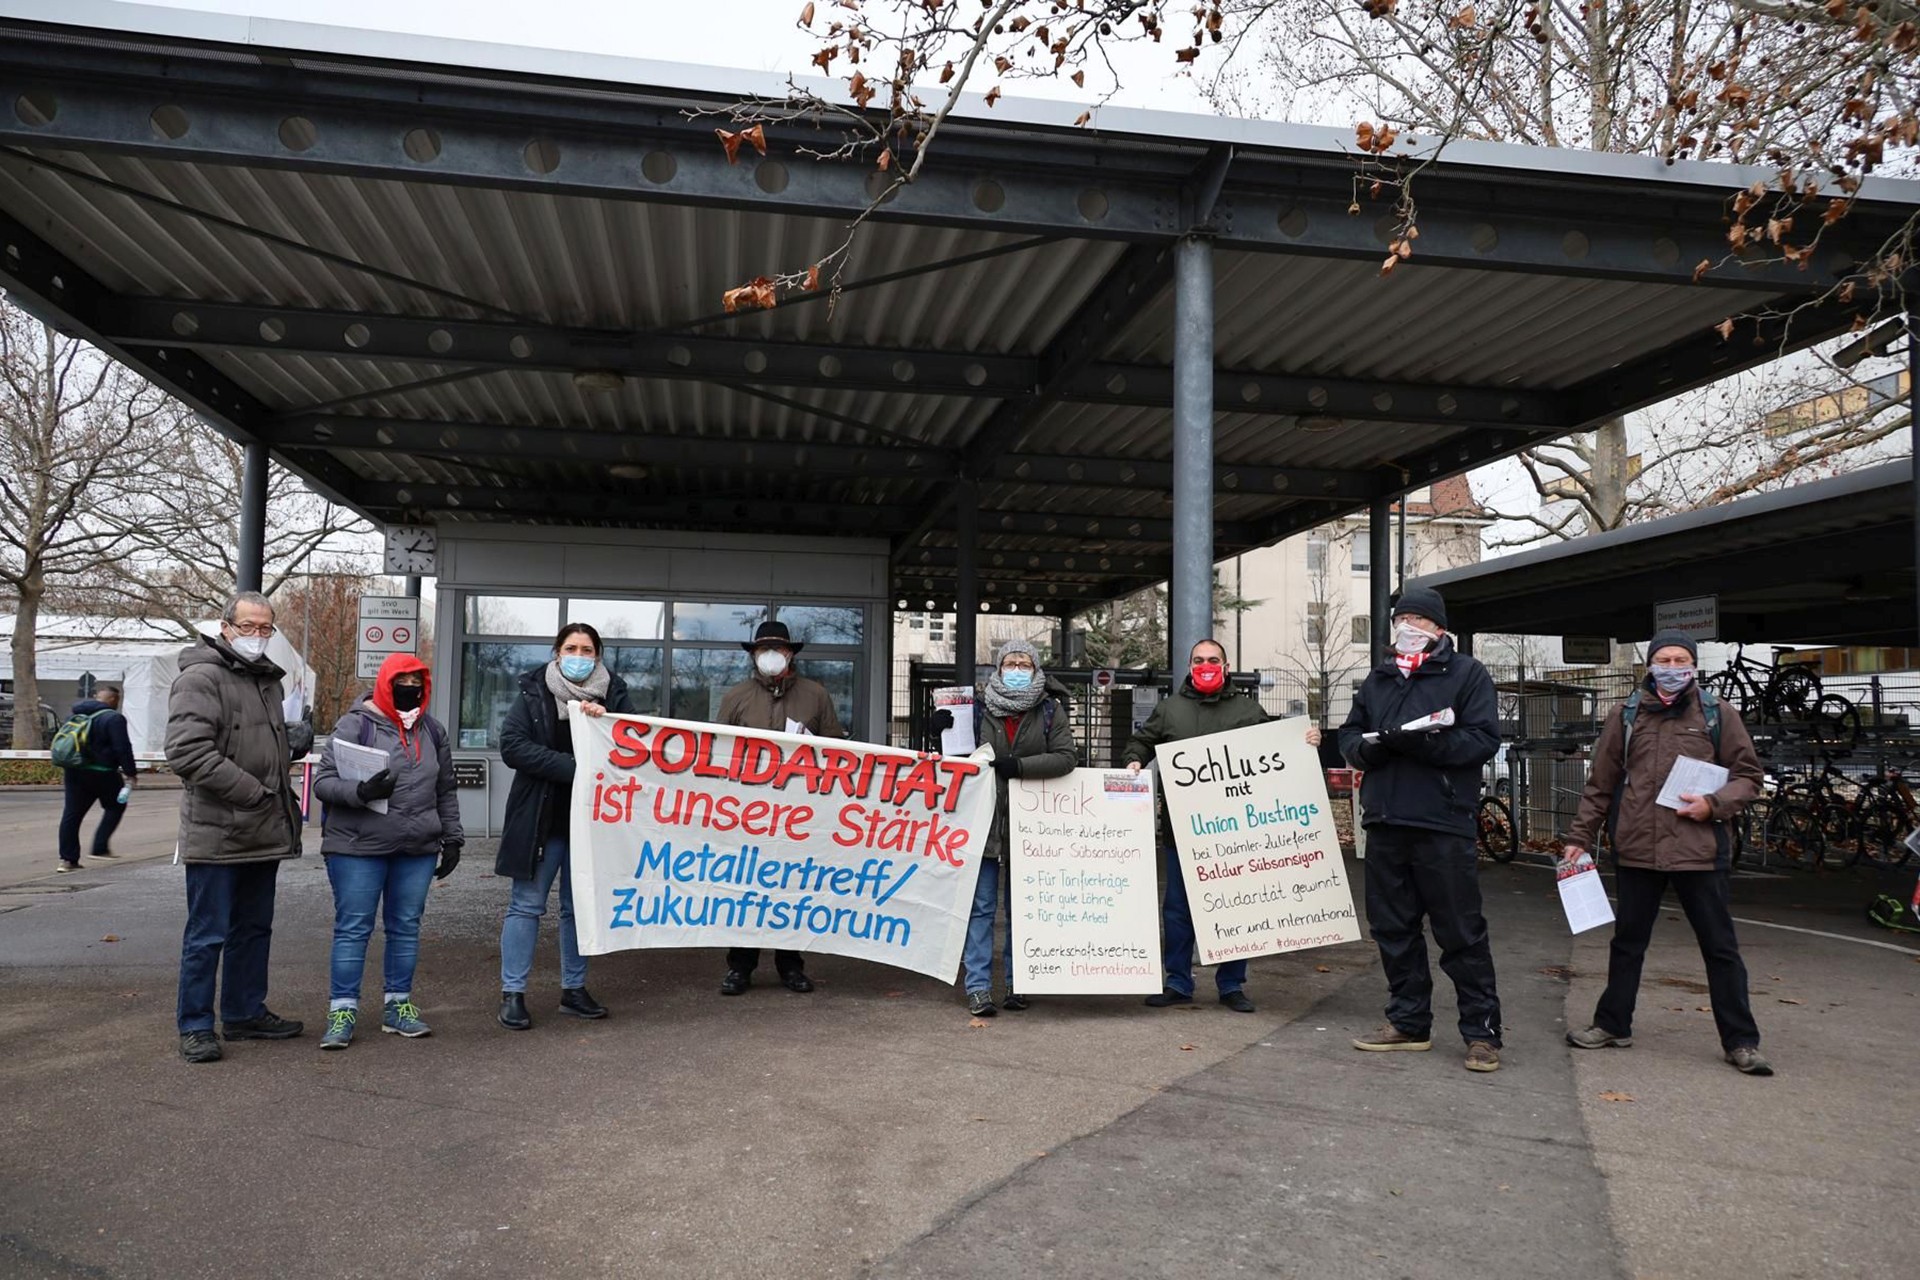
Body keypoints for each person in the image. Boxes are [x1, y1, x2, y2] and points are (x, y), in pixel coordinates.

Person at [1562, 630, 1772, 1075]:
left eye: (1681, 659)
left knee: (1720, 948)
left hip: (1699, 851)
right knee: (1628, 944)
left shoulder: (1718, 714)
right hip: (1637, 848)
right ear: (1650, 665)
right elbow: (1601, 784)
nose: (1672, 667)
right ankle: (1612, 1025)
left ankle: (1741, 1041)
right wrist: (1580, 838)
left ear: (1693, 665)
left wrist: (1713, 805)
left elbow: (1749, 775)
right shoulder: (1627, 714)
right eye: (1664, 659)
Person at [1338, 586, 1504, 1072]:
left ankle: (1482, 1033)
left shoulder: (1467, 674)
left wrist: (1421, 745)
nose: (1407, 627)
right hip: (1386, 821)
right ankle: (1408, 1022)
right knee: (1393, 928)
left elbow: (1482, 740)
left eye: (1418, 619)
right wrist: (1370, 749)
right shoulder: (1380, 677)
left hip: (1442, 823)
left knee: (1460, 932)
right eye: (1400, 619)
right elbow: (1350, 735)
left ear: (1439, 629)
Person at [1123, 637, 1320, 1014]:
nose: (1206, 665)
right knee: (1178, 910)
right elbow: (1141, 741)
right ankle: (1177, 982)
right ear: (1189, 666)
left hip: (1234, 833)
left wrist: (1306, 740)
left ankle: (1231, 985)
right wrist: (1134, 759)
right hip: (1183, 831)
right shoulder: (1169, 710)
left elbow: (1278, 750)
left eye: (1213, 659)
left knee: (1236, 909)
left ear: (1226, 666)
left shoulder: (1248, 710)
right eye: (1199, 660)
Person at [164, 591, 315, 1064]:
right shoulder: (202, 677)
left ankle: (244, 1012)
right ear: (225, 627)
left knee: (253, 928)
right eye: (247, 626)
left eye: (265, 628)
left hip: (263, 829)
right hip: (219, 830)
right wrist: (253, 792)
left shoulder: (266, 680)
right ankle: (195, 1025)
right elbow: (187, 753)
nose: (256, 636)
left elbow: (252, 745)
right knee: (208, 934)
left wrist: (289, 744)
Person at [310, 654, 462, 1050]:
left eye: (417, 680)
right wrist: (360, 792)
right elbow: (322, 782)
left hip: (416, 847)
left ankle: (399, 1006)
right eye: (402, 680)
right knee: (354, 928)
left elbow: (444, 789)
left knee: (406, 927)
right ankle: (342, 1010)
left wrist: (453, 837)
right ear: (385, 681)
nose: (410, 687)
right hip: (357, 847)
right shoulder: (355, 723)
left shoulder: (432, 730)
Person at [495, 622, 632, 1030]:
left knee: (580, 910)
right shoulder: (534, 689)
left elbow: (632, 746)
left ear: (598, 656)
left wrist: (605, 722)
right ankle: (513, 993)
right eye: (571, 648)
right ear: (557, 652)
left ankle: (574, 990)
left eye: (587, 650)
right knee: (526, 906)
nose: (578, 656)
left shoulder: (615, 695)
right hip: (540, 819)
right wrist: (576, 769)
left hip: (590, 823)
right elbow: (513, 745)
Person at [936, 638, 1075, 1018]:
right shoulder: (977, 708)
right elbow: (957, 762)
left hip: (1032, 828)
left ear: (1035, 668)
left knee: (1024, 910)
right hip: (982, 823)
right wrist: (940, 734)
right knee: (980, 909)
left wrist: (1021, 767)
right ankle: (978, 987)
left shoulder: (1050, 710)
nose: (1016, 668)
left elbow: (1066, 758)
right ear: (997, 669)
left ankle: (1019, 982)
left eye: (1023, 663)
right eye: (1009, 662)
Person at [715, 619, 847, 996]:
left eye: (778, 650)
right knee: (746, 890)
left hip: (798, 814)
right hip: (747, 813)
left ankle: (791, 965)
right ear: (754, 655)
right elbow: (717, 755)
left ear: (790, 654)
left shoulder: (815, 695)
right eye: (763, 651)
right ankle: (740, 967)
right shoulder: (735, 697)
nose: (770, 656)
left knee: (792, 889)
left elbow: (836, 750)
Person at [54, 682, 138, 872]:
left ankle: (67, 860)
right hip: (103, 772)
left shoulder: (75, 715)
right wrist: (130, 772)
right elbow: (122, 747)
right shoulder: (114, 718)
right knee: (116, 805)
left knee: (72, 814)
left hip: (74, 771)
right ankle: (99, 848)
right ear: (113, 699)